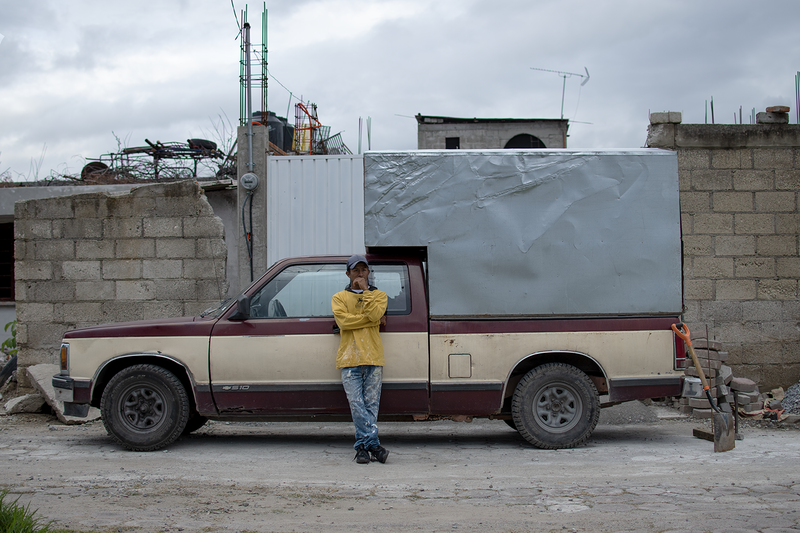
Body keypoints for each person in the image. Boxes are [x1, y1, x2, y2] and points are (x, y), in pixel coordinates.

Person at [331, 254, 390, 464]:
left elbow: (374, 315)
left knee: (371, 405)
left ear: (369, 272)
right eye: (355, 270)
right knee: (356, 404)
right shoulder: (339, 297)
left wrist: (366, 292)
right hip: (349, 359)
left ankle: (362, 448)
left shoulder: (379, 295)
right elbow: (344, 323)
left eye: (363, 269)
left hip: (373, 357)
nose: (360, 273)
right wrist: (372, 320)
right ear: (348, 273)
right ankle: (373, 445)